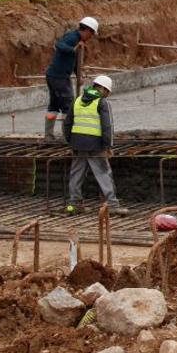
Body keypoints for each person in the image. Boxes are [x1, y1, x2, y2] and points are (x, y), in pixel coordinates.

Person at [63, 75, 127, 216]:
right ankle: (112, 205)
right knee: (104, 174)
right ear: (103, 89)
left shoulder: (78, 100)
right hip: (95, 146)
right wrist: (108, 147)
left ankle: (74, 204)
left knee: (76, 174)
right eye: (108, 92)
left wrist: (70, 142)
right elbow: (107, 127)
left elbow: (67, 123)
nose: (107, 95)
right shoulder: (102, 103)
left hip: (77, 145)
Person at [45, 17, 98, 141]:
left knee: (53, 106)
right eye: (91, 34)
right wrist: (72, 49)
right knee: (68, 105)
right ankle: (67, 137)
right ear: (87, 30)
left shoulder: (77, 40)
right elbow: (58, 44)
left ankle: (48, 136)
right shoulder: (73, 38)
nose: (91, 37)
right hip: (59, 77)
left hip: (54, 76)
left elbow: (73, 61)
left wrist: (78, 75)